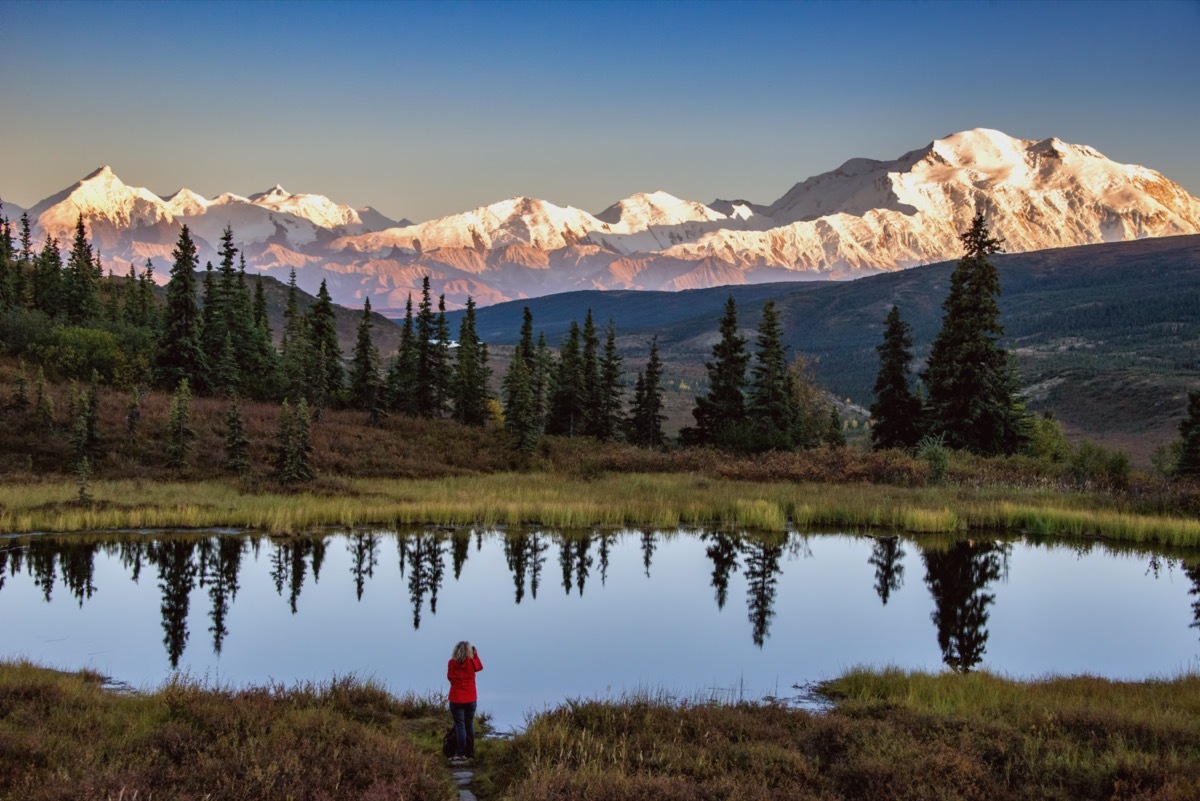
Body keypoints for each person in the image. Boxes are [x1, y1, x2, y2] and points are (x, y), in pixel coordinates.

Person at [447, 640, 482, 762]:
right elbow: (480, 667)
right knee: (469, 724)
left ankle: (461, 753)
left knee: (460, 725)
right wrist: (475, 655)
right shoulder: (471, 662)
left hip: (456, 698)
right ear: (469, 652)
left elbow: (450, 677)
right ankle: (470, 752)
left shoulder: (452, 663)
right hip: (471, 698)